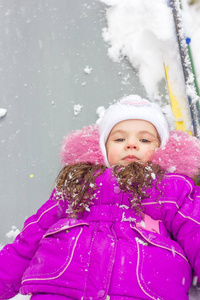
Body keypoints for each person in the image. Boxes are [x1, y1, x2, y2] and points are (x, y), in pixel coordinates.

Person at [1, 94, 200, 300]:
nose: (131, 144)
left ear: (161, 149)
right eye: (119, 138)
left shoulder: (171, 190)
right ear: (103, 148)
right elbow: (27, 244)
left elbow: (196, 232)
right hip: (61, 290)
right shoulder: (76, 188)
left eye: (144, 139)